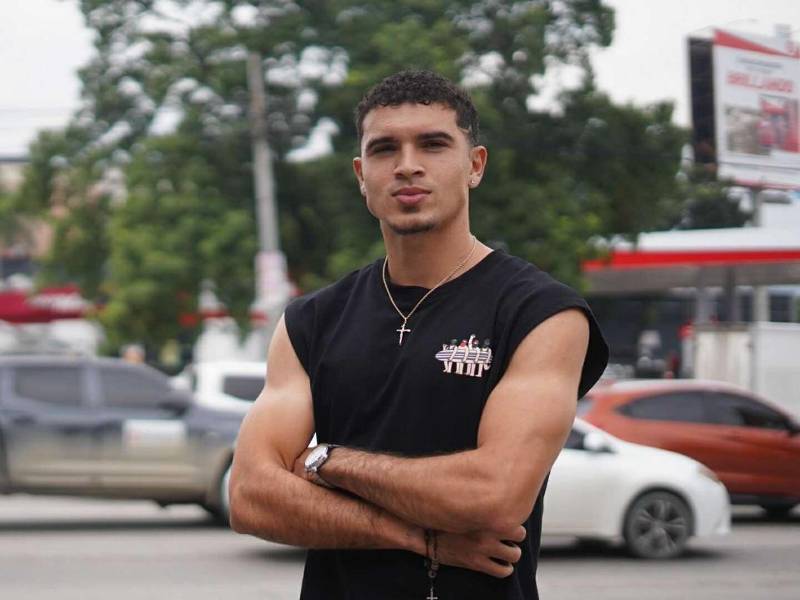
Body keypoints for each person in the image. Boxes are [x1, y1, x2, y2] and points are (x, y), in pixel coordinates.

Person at [229, 70, 608, 600]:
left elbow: (494, 493)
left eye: (433, 144)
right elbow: (250, 497)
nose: (407, 165)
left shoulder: (541, 312)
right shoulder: (310, 321)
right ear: (362, 175)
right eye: (385, 149)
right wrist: (420, 539)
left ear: (474, 165)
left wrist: (327, 460)